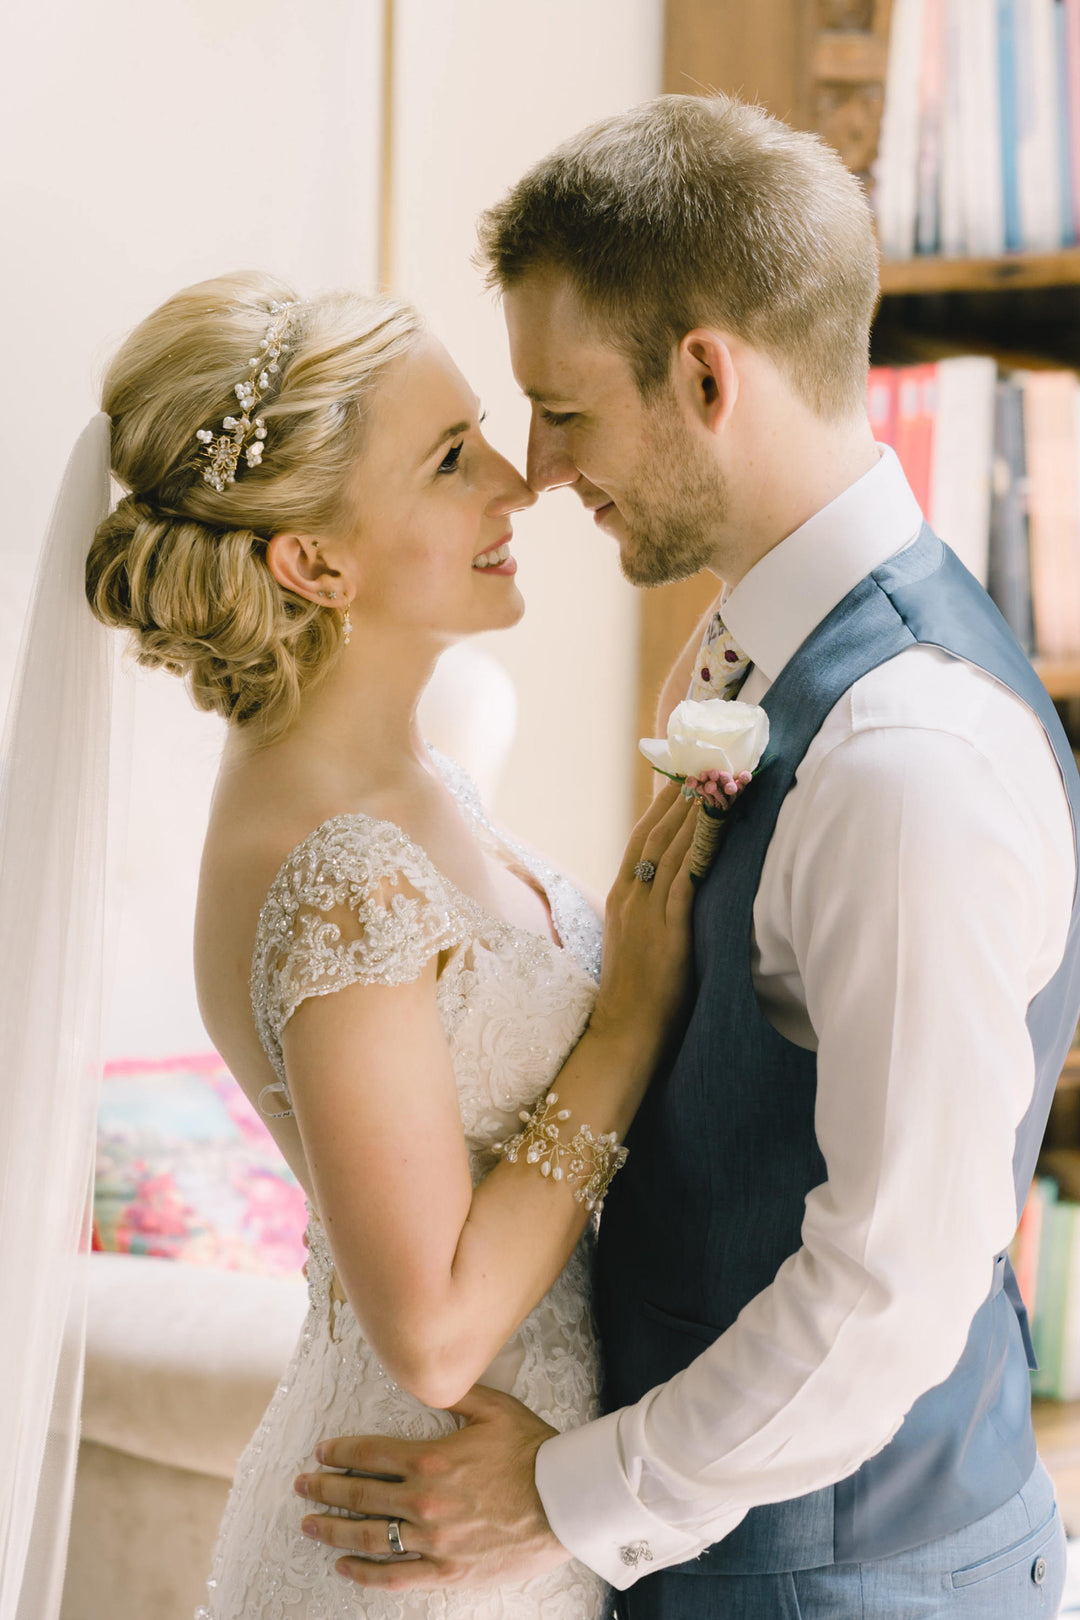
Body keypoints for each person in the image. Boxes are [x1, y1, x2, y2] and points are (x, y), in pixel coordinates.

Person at [295, 94, 1080, 1619]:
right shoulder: (742, 657)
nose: (536, 468)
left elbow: (891, 1293)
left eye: (564, 408)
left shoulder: (905, 762)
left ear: (705, 375)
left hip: (846, 1583)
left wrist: (562, 1497)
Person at [82, 270, 698, 1619]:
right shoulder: (336, 871)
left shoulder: (416, 775)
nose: (516, 482)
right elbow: (430, 1330)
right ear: (313, 563)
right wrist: (630, 1020)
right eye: (448, 459)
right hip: (406, 1559)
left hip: (505, 1521)